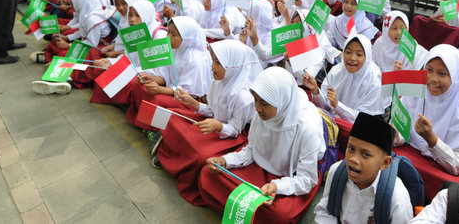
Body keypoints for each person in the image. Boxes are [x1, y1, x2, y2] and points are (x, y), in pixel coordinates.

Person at [200, 67, 326, 224]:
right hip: (263, 170)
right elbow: (251, 151)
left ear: (281, 101)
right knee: (208, 173)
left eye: (265, 104)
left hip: (290, 177)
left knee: (280, 215)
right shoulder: (261, 115)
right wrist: (225, 161)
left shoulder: (307, 128)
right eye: (256, 100)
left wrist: (277, 186)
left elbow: (306, 179)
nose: (258, 108)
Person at [155, 40, 260, 204]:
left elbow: (235, 129)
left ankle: (177, 164)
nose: (212, 66)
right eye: (213, 61)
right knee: (170, 116)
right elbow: (213, 110)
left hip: (232, 136)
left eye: (218, 62)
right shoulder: (218, 81)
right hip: (215, 123)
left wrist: (218, 126)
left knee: (199, 154)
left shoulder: (243, 96)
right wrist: (193, 103)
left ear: (232, 65)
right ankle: (162, 144)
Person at [393, 44, 459, 200]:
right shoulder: (417, 86)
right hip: (411, 153)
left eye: (442, 73)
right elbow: (400, 127)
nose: (433, 79)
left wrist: (431, 140)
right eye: (429, 70)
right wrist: (395, 134)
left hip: (443, 168)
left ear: (455, 76)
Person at [314, 112, 414, 224]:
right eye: (351, 148)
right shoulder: (336, 171)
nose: (353, 159)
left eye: (365, 154)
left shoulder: (396, 196)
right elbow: (325, 211)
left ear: (385, 163)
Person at [303, 34, 385, 135]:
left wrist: (337, 105)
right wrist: (316, 91)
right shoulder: (336, 72)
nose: (352, 58)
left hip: (356, 131)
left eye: (359, 55)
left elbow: (363, 120)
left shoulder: (373, 81)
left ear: (367, 57)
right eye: (348, 52)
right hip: (331, 123)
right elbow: (325, 107)